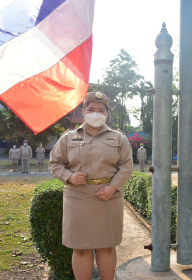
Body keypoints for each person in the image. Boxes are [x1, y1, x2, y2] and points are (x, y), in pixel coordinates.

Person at [48, 91, 133, 280]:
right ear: (84, 112)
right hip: (78, 198)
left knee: (107, 247)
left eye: (101, 110)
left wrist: (113, 187)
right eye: (92, 109)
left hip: (109, 198)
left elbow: (127, 165)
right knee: (81, 248)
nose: (96, 113)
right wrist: (69, 177)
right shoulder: (68, 138)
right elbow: (54, 164)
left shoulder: (118, 138)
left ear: (106, 114)